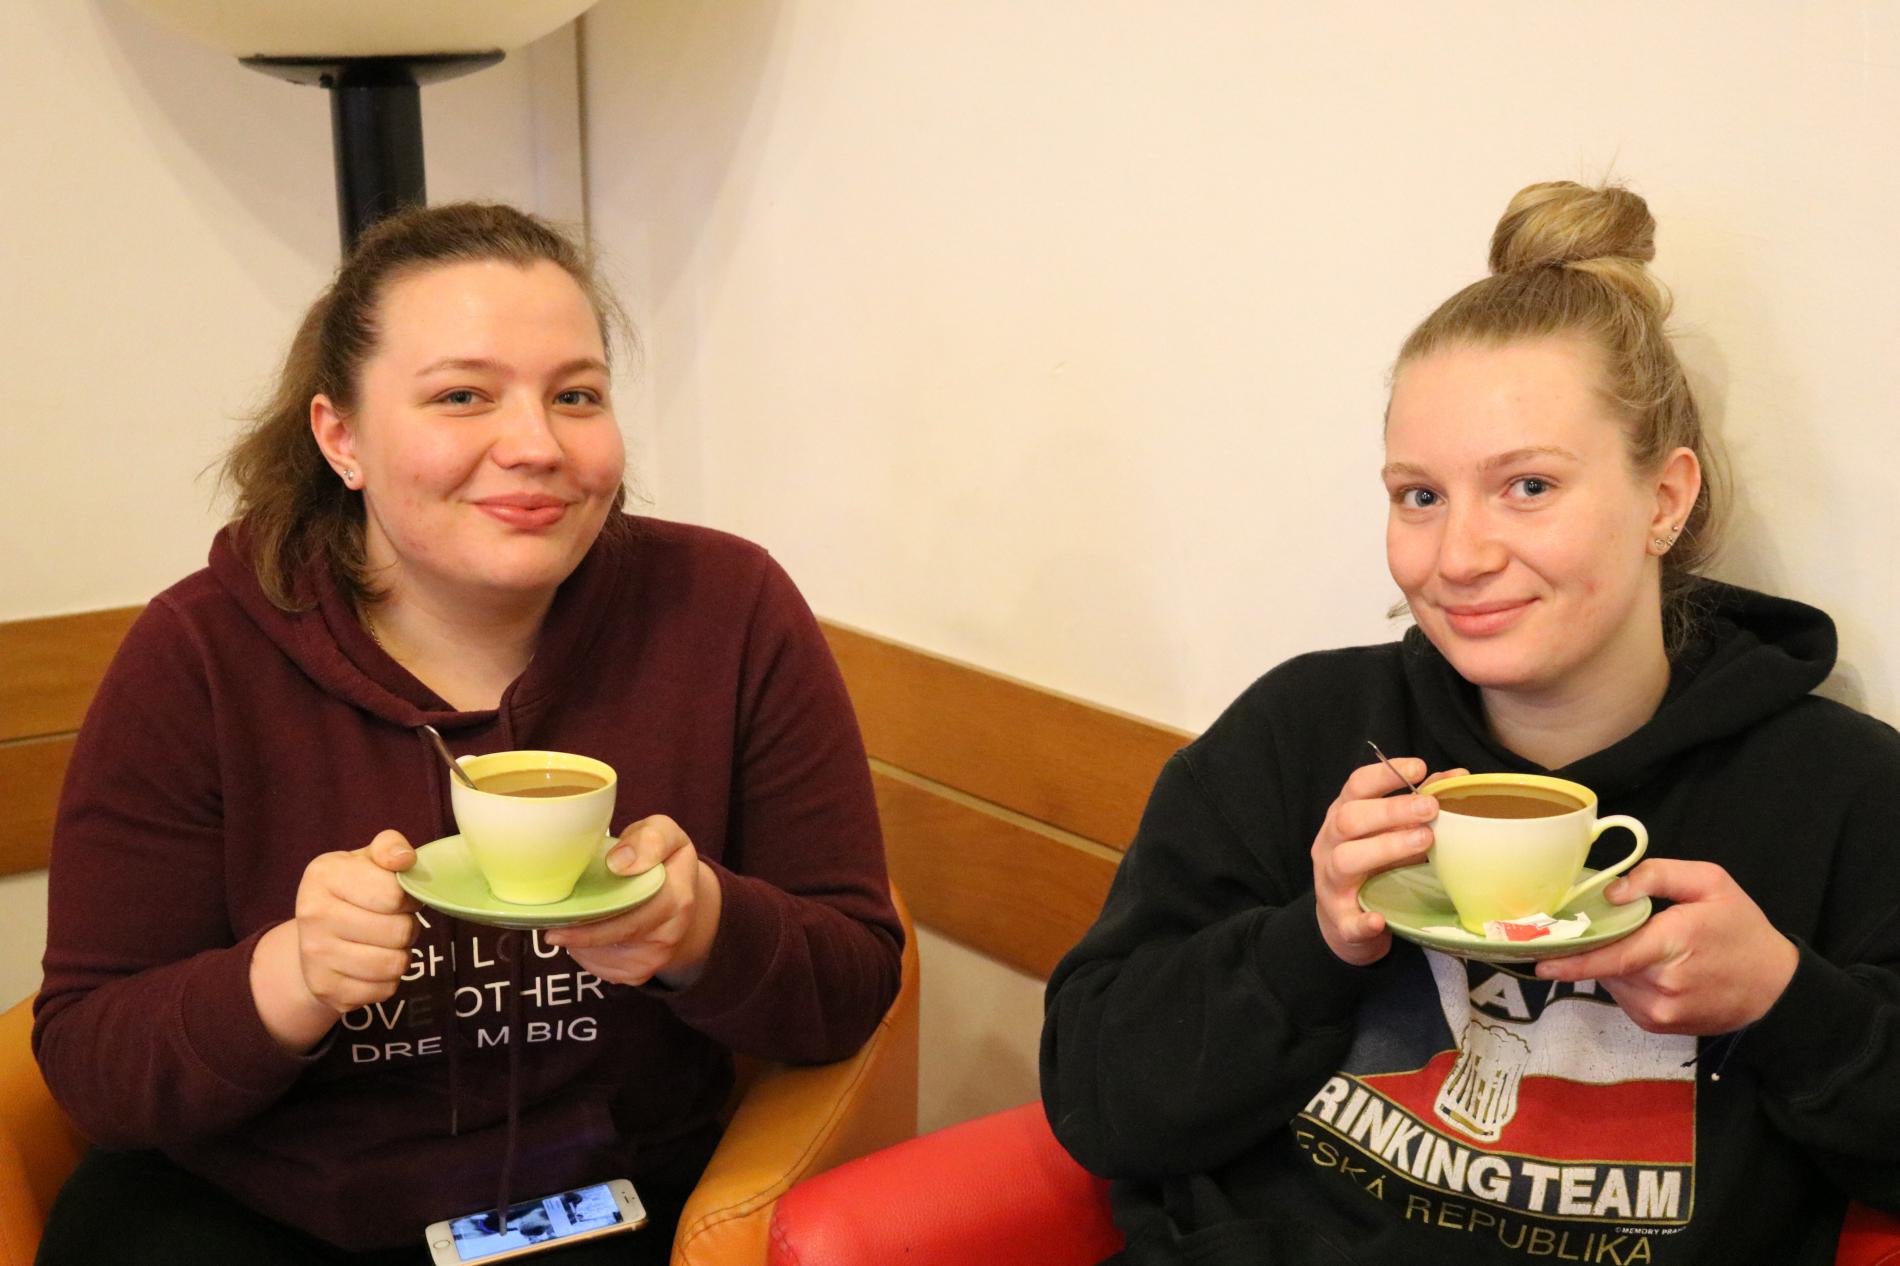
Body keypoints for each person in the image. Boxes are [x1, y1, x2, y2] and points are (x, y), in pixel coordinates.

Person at [1041, 181, 1900, 1264]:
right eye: (1420, 496)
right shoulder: (1305, 732)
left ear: (1665, 500)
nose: (1458, 557)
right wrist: (1311, 942)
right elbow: (1099, 1103)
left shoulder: (1841, 793)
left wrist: (1784, 1000)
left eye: (1528, 486)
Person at [34, 202, 903, 1265]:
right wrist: (294, 973)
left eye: (575, 396)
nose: (536, 446)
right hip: (258, 1216)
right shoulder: (200, 652)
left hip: (606, 1211)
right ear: (340, 437)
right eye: (462, 396)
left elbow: (853, 984)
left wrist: (700, 927)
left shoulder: (726, 610)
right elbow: (90, 1064)